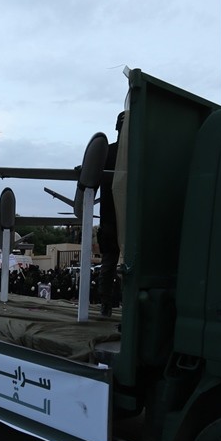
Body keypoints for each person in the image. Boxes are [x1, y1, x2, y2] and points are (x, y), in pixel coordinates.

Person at [97, 111, 123, 317]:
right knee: (109, 264)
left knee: (110, 264)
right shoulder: (109, 152)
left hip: (120, 219)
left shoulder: (135, 152)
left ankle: (108, 303)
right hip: (112, 219)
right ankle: (106, 303)